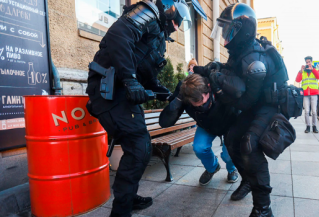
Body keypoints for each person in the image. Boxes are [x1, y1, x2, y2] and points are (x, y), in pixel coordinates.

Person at [85, 1, 197, 216]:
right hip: (108, 91)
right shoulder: (147, 13)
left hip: (120, 95)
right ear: (168, 11)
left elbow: (148, 77)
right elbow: (119, 35)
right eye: (177, 22)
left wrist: (168, 95)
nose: (177, 27)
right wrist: (130, 80)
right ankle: (121, 210)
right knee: (139, 147)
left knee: (139, 148)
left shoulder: (157, 39)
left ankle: (128, 196)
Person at [203, 3, 291, 216]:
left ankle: (263, 208)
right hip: (255, 105)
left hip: (269, 106)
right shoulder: (240, 51)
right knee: (232, 140)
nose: (224, 34)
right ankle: (248, 181)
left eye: (228, 29)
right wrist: (214, 68)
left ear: (241, 30)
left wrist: (220, 87)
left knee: (249, 145)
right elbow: (232, 71)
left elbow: (244, 103)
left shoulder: (255, 62)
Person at [159, 74, 242, 185]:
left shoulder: (217, 85)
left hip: (229, 124)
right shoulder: (185, 93)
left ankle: (231, 169)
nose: (200, 106)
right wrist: (177, 100)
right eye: (196, 105)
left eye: (202, 101)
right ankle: (212, 167)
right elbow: (164, 122)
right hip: (206, 125)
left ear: (208, 88)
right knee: (199, 148)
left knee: (229, 154)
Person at [295, 56, 319, 133]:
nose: (308, 63)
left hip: (313, 93)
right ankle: (308, 126)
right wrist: (300, 71)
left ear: (311, 62)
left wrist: (312, 69)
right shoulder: (303, 71)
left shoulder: (315, 69)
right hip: (305, 93)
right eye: (306, 62)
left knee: (314, 111)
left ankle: (314, 126)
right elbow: (297, 80)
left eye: (309, 62)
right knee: (306, 111)